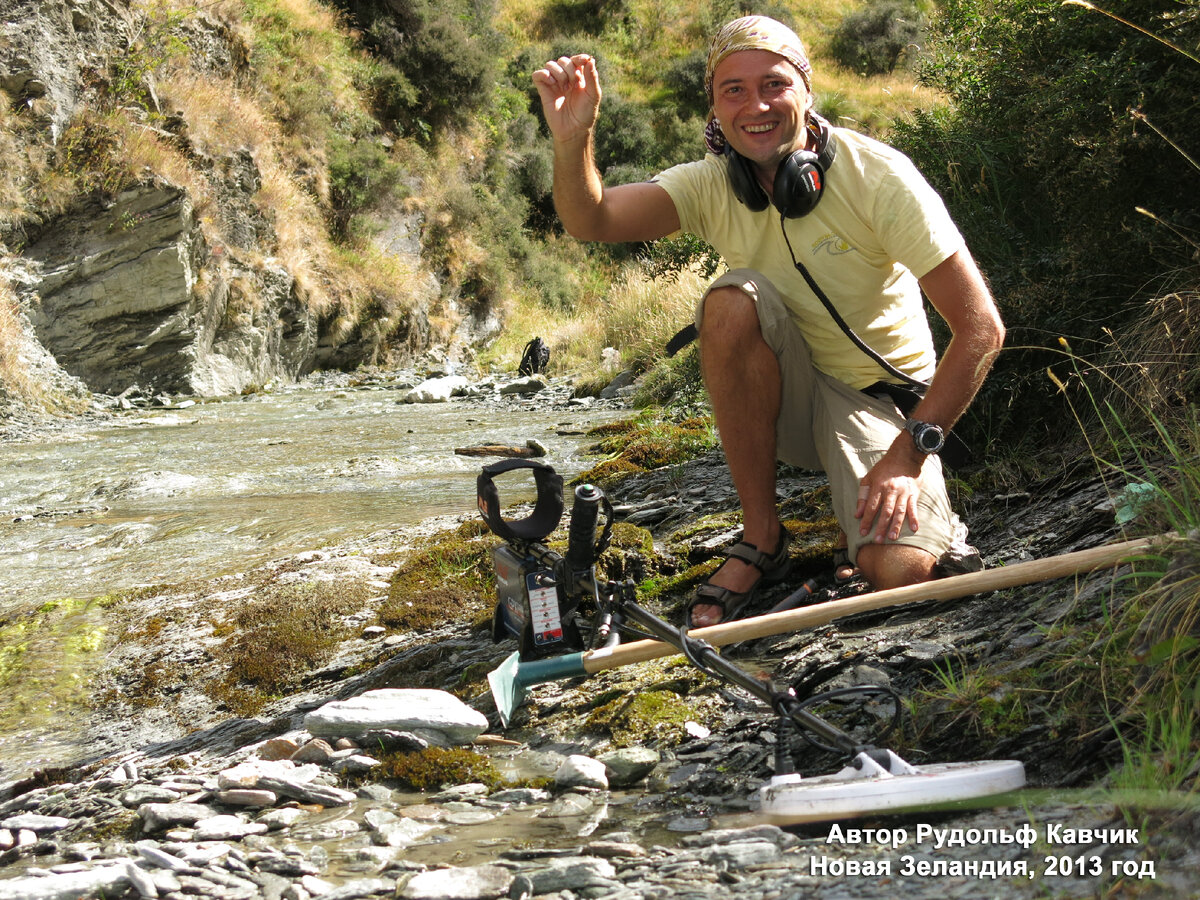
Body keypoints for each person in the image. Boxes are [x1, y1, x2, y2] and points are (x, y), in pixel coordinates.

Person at [533, 15, 1005, 627]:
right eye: (733, 89)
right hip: (786, 398)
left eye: (774, 84)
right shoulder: (709, 186)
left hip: (882, 408)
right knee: (730, 301)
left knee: (900, 574)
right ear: (715, 107)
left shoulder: (878, 177)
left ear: (806, 93)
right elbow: (591, 221)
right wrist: (574, 139)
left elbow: (982, 328)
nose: (755, 104)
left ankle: (907, 522)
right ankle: (762, 537)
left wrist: (908, 454)